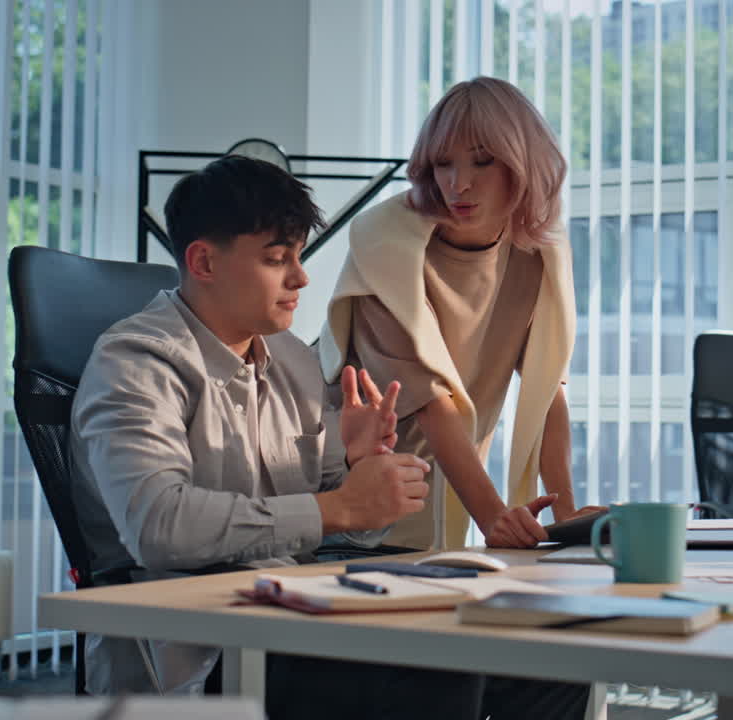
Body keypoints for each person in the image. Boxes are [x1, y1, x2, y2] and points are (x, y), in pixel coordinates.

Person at [69, 155, 588, 719]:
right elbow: (157, 526)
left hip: (297, 611)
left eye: (297, 256)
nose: (301, 277)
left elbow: (335, 520)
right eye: (277, 260)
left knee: (554, 660)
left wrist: (361, 475)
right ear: (203, 262)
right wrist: (338, 506)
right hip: (196, 646)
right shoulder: (136, 362)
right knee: (437, 674)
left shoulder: (290, 358)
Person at [320, 76, 599, 551]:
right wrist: (494, 518)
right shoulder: (385, 245)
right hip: (352, 513)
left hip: (449, 504)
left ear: (521, 164)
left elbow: (547, 386)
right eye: (443, 164)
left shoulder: (539, 254)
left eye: (482, 162)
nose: (459, 184)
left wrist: (568, 516)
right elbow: (431, 402)